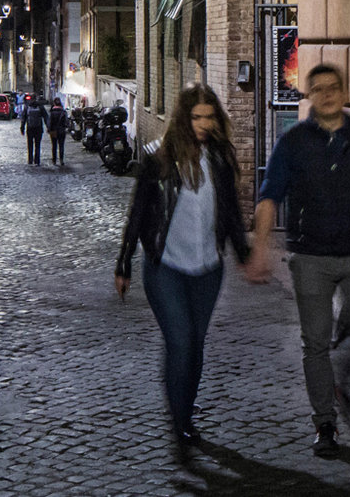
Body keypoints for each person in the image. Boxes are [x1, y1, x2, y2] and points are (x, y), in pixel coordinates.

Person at [243, 62, 350, 457]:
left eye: (333, 87)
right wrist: (259, 249)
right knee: (314, 344)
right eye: (318, 89)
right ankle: (325, 422)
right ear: (307, 96)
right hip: (310, 255)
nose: (326, 94)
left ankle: (341, 379)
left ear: (344, 93)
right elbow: (270, 196)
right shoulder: (293, 142)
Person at [115, 85, 250, 455]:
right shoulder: (158, 160)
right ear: (183, 119)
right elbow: (139, 213)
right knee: (180, 342)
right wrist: (124, 262)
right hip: (166, 267)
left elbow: (231, 213)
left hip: (208, 268)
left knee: (196, 345)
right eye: (197, 117)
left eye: (209, 117)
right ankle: (181, 425)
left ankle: (185, 411)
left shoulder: (220, 159)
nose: (204, 124)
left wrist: (243, 252)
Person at [21, 92, 47, 164]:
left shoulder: (27, 106)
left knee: (30, 145)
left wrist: (22, 127)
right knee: (37, 145)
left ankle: (30, 160)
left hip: (30, 128)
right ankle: (37, 160)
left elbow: (24, 118)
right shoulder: (40, 106)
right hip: (38, 128)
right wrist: (48, 126)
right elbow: (45, 117)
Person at [47, 97, 69, 164]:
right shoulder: (63, 112)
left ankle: (54, 160)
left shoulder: (52, 112)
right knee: (61, 146)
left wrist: (49, 129)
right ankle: (61, 160)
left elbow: (49, 122)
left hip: (53, 131)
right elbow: (66, 122)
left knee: (54, 146)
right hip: (61, 130)